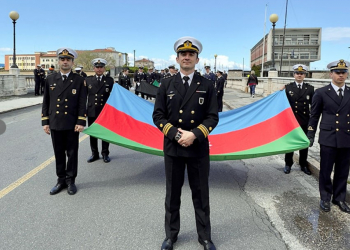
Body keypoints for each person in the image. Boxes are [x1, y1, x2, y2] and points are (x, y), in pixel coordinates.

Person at [153, 36, 218, 250]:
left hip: (198, 148)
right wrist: (175, 134)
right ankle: (171, 236)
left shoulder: (207, 85)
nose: (187, 57)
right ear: (177, 58)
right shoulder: (166, 84)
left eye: (191, 54)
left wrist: (195, 134)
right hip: (173, 148)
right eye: (183, 54)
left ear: (197, 59)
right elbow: (158, 115)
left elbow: (212, 117)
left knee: (201, 194)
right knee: (172, 194)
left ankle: (205, 237)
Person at [41, 48, 87, 195]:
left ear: (73, 62)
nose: (65, 62)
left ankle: (70, 180)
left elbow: (82, 102)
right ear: (59, 61)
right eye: (62, 59)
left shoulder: (79, 80)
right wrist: (45, 122)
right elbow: (46, 102)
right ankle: (60, 180)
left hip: (72, 123)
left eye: (68, 59)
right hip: (55, 122)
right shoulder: (50, 79)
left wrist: (81, 121)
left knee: (72, 153)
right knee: (59, 152)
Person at [307, 59, 350, 213]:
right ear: (331, 74)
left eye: (343, 72)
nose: (341, 75)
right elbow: (314, 115)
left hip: (346, 137)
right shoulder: (321, 93)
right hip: (328, 137)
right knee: (325, 170)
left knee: (343, 171)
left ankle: (339, 198)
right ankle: (325, 197)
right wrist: (310, 134)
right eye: (337, 72)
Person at [283, 64, 314, 175]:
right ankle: (288, 164)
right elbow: (282, 104)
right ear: (294, 74)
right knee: (290, 144)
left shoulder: (310, 89)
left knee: (304, 144)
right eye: (297, 73)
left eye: (302, 73)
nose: (299, 75)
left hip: (305, 120)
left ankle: (303, 164)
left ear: (305, 75)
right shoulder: (288, 88)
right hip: (291, 121)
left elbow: (313, 106)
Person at [86, 58, 114, 163]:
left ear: (104, 68)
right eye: (97, 67)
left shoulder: (109, 80)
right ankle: (95, 154)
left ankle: (105, 153)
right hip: (92, 111)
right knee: (93, 134)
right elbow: (83, 97)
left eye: (101, 67)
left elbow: (114, 96)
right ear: (94, 68)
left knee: (105, 134)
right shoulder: (88, 80)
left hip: (104, 111)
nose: (99, 69)